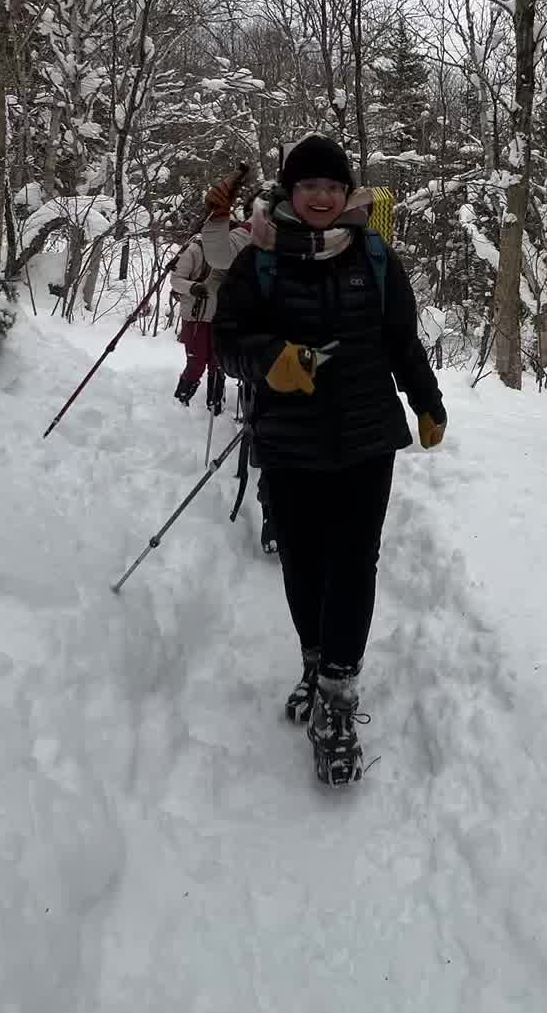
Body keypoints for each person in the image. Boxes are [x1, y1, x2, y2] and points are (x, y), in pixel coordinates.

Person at [214, 133, 447, 786]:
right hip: (289, 439)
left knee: (353, 563)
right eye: (310, 185)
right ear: (291, 191)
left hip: (367, 438)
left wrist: (426, 402)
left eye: (333, 186)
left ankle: (337, 700)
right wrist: (271, 362)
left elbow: (401, 338)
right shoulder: (258, 257)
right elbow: (227, 343)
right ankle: (315, 664)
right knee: (304, 561)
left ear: (348, 194)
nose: (322, 196)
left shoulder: (374, 253)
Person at [169, 167, 251, 412]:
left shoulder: (233, 253)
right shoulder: (195, 250)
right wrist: (195, 287)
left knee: (218, 363)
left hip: (219, 316)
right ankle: (181, 401)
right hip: (196, 316)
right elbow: (176, 280)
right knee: (196, 364)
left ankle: (215, 404)